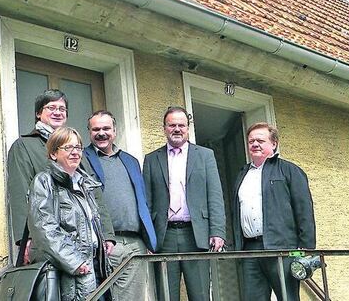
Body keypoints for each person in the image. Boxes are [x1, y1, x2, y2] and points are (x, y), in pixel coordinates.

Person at [6, 89, 113, 264]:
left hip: (87, 240)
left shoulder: (77, 150)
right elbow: (20, 195)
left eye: (62, 109)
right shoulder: (23, 146)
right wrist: (24, 240)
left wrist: (107, 234)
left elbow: (94, 193)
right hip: (51, 242)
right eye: (51, 107)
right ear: (38, 113)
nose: (57, 112)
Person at [143, 106, 226, 301]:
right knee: (166, 295)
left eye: (181, 125)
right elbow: (147, 201)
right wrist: (147, 238)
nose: (177, 129)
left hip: (196, 234)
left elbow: (214, 195)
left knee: (200, 295)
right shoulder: (151, 159)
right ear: (164, 128)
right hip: (164, 237)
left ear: (188, 128)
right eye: (172, 125)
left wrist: (217, 231)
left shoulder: (205, 155)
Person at [232, 122, 316, 301]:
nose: (255, 144)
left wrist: (306, 248)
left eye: (260, 140)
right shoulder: (242, 174)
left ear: (274, 143)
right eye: (251, 141)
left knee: (288, 298)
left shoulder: (289, 170)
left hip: (282, 248)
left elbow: (304, 209)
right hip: (250, 250)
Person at [80, 110, 157, 301]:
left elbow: (142, 201)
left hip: (135, 244)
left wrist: (148, 239)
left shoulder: (130, 161)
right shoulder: (82, 159)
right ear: (89, 132)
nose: (101, 133)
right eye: (95, 129)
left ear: (115, 131)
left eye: (106, 128)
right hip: (105, 244)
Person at [27, 126, 107, 300]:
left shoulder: (85, 184)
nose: (75, 152)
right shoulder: (44, 181)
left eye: (78, 147)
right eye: (68, 148)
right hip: (67, 270)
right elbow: (44, 228)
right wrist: (75, 262)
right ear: (53, 153)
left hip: (92, 267)